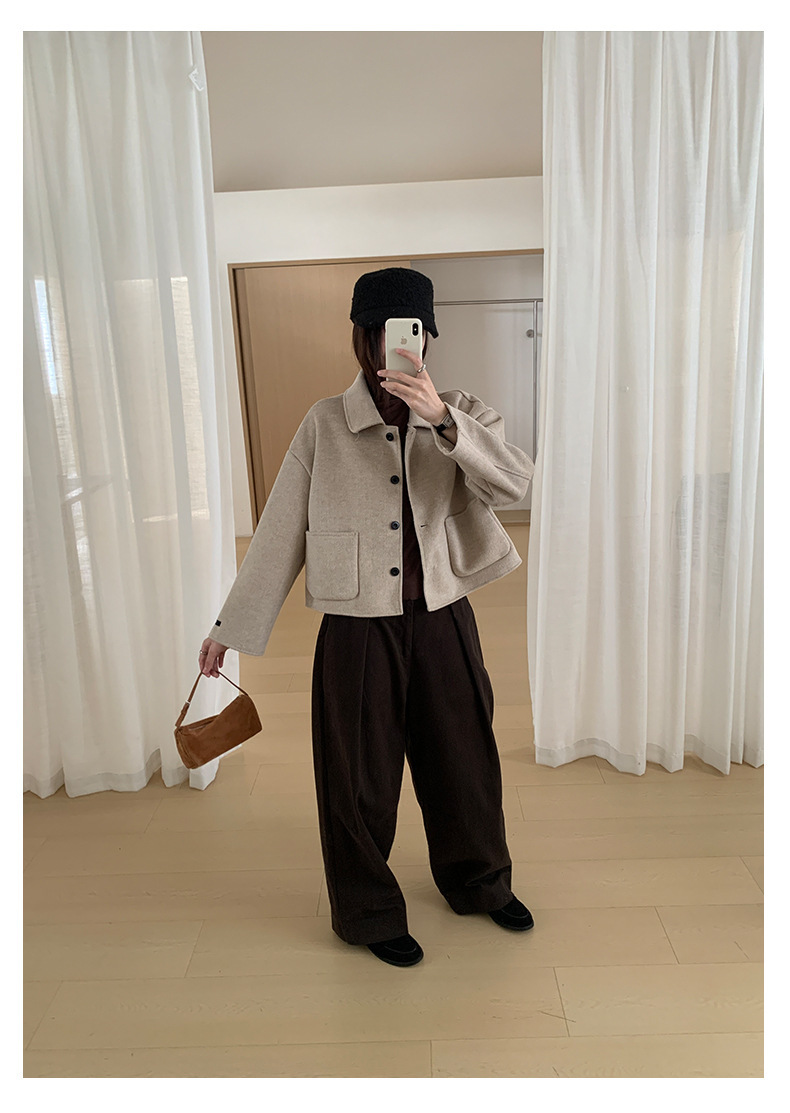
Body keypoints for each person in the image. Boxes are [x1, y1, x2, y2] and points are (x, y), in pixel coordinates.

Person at [199, 267, 535, 967]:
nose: (394, 346)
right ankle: (368, 909)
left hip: (443, 616)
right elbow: (279, 530)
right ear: (362, 338)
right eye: (380, 333)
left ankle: (479, 881)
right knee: (356, 777)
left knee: (464, 758)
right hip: (356, 628)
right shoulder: (324, 423)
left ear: (427, 338)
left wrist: (443, 421)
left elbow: (515, 483)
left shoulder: (463, 413)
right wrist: (230, 630)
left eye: (409, 332)